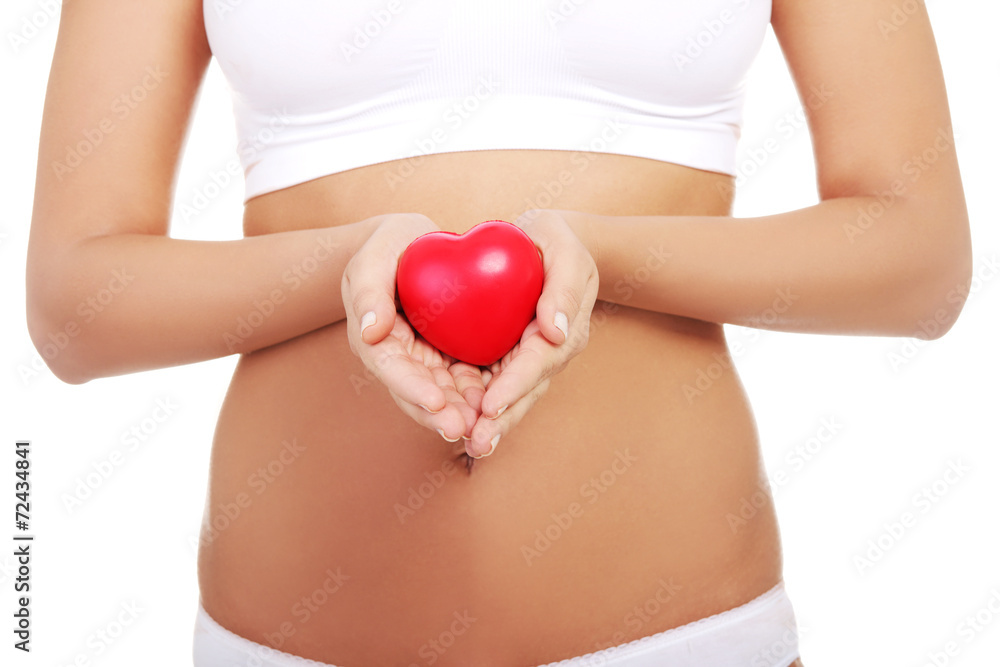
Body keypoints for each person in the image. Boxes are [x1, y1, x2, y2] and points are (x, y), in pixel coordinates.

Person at [26, 0, 971, 665]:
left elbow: (920, 260)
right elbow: (74, 306)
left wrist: (601, 256)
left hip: (685, 639)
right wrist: (356, 265)